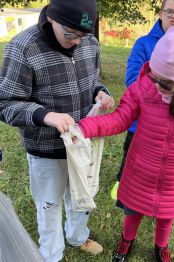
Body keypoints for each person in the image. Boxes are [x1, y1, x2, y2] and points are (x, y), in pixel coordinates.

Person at [77, 26, 174, 262]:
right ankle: (126, 241)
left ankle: (161, 247)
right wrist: (85, 128)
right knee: (133, 211)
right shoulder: (143, 88)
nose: (158, 86)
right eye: (155, 76)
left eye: (166, 83)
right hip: (141, 169)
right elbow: (119, 119)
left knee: (166, 217)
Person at [0, 0, 114, 261]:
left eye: (83, 35)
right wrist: (44, 115)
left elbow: (92, 80)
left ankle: (77, 236)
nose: (77, 42)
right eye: (71, 34)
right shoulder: (23, 48)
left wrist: (100, 92)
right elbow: (5, 103)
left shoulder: (89, 43)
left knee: (80, 198)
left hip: (82, 144)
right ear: (52, 17)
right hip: (45, 149)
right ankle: (50, 254)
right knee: (49, 206)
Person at [114, 0, 174, 196]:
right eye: (169, 11)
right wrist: (159, 95)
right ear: (161, 13)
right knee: (132, 154)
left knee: (163, 162)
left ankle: (156, 192)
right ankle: (122, 181)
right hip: (143, 120)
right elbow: (132, 80)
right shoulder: (144, 44)